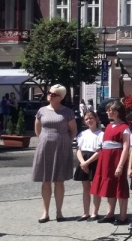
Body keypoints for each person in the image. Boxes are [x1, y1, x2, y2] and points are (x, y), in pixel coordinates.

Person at [31, 85, 77, 223]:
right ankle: (45, 212)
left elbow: (73, 131)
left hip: (61, 146)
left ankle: (59, 212)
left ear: (60, 97)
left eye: (54, 94)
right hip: (45, 146)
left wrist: (65, 141)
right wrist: (44, 139)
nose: (50, 95)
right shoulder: (42, 110)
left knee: (59, 180)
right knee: (46, 180)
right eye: (49, 93)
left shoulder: (67, 112)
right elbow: (37, 129)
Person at [91, 101, 130, 224]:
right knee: (109, 186)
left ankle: (123, 216)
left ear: (116, 112)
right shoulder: (108, 126)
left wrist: (120, 165)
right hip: (106, 159)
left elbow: (126, 148)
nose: (107, 112)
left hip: (116, 159)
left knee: (119, 186)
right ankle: (110, 213)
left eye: (110, 110)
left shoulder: (125, 128)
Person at [74, 111, 104, 221]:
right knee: (85, 188)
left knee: (95, 188)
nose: (89, 120)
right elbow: (78, 150)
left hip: (94, 161)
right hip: (83, 161)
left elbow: (100, 151)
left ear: (96, 119)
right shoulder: (82, 134)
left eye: (91, 118)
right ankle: (85, 213)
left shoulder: (101, 134)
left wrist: (88, 163)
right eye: (86, 119)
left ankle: (94, 213)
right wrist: (82, 162)